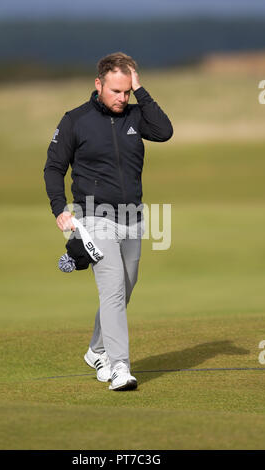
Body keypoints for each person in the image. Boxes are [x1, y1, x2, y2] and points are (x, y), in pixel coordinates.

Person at [44, 52, 173, 391]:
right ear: (98, 84)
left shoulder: (135, 114)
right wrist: (60, 208)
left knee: (125, 288)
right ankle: (119, 367)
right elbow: (54, 168)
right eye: (116, 91)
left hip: (132, 218)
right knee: (113, 288)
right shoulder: (75, 120)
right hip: (93, 217)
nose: (122, 98)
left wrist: (141, 91)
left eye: (127, 91)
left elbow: (165, 131)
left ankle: (96, 350)